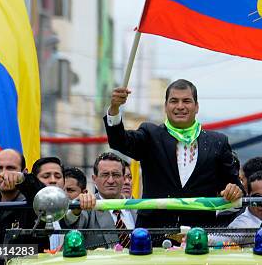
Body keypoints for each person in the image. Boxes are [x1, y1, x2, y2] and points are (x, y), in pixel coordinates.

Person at [104, 79, 243, 229]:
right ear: (165, 106)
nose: (180, 106)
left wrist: (233, 191)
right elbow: (119, 141)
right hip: (153, 236)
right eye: (174, 101)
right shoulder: (151, 135)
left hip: (199, 237)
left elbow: (235, 187)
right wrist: (115, 109)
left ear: (196, 107)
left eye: (186, 101)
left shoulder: (217, 142)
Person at [0, 150, 93, 255]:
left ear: (24, 172)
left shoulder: (37, 203)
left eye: (11, 168)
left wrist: (22, 180)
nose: (5, 174)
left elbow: (44, 193)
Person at [64, 152, 135, 249]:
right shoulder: (88, 207)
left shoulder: (139, 208)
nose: (110, 180)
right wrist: (76, 208)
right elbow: (70, 223)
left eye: (116, 175)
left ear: (124, 178)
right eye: (105, 175)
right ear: (94, 179)